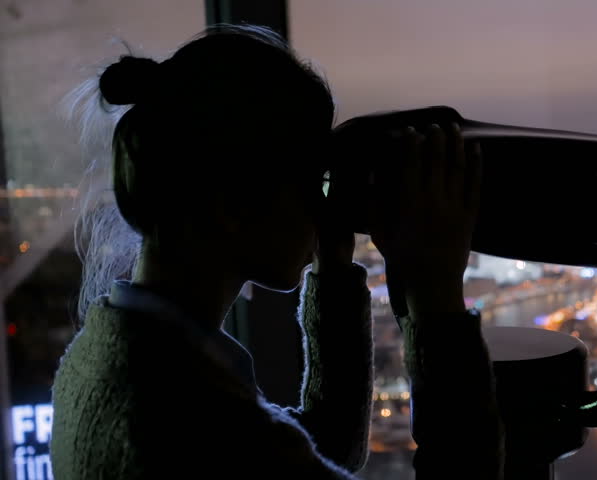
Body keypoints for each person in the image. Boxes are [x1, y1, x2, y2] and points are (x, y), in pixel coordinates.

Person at [50, 24, 504, 479]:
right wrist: (437, 300)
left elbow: (323, 448)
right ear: (231, 200)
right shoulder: (187, 424)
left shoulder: (114, 360)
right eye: (310, 182)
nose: (324, 208)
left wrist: (334, 271)